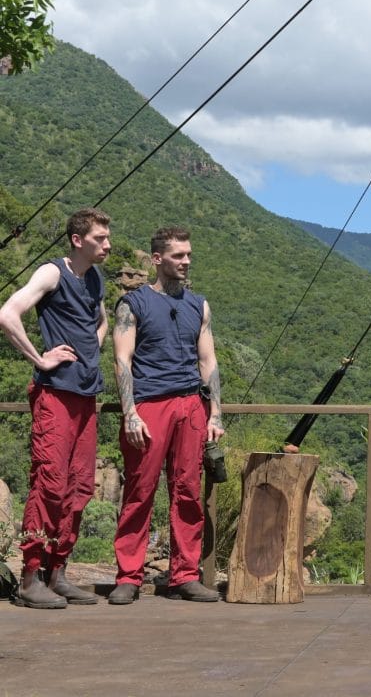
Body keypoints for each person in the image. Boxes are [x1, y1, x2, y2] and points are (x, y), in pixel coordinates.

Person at [0, 208, 112, 608]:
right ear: (78, 240)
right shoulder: (52, 273)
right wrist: (40, 358)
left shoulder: (95, 278)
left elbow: (102, 321)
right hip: (55, 393)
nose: (108, 245)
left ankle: (57, 571)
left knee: (79, 486)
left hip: (86, 395)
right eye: (100, 238)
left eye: (108, 237)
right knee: (49, 482)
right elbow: (7, 314)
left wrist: (94, 343)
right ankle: (31, 577)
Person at [109, 226, 224, 604]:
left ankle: (185, 577)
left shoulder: (199, 304)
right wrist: (130, 412)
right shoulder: (134, 303)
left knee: (188, 492)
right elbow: (122, 360)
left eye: (188, 254)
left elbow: (208, 361)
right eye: (178, 256)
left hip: (191, 405)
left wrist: (215, 414)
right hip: (149, 406)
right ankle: (128, 576)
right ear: (158, 259)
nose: (186, 261)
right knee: (139, 492)